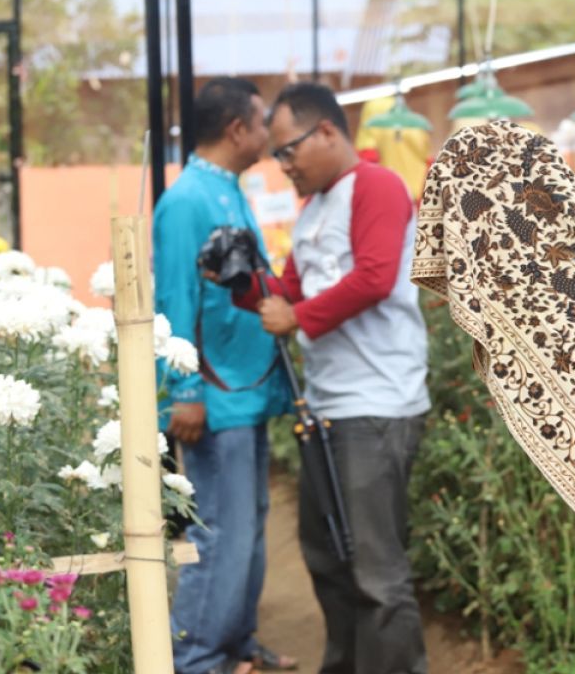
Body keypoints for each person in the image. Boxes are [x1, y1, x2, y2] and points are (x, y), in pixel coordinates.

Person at [233, 81, 431, 674]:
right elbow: (289, 292)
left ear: (326, 132)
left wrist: (295, 316)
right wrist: (240, 282)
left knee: (375, 570)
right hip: (328, 408)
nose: (284, 165)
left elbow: (372, 277)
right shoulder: (316, 208)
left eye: (288, 150)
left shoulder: (377, 187)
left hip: (377, 407)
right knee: (328, 558)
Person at [153, 77, 296, 674]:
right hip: (211, 399)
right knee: (221, 534)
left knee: (250, 526)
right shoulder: (186, 200)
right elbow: (173, 300)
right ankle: (195, 658)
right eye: (263, 123)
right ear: (238, 129)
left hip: (245, 391)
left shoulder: (229, 190)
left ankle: (236, 641)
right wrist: (182, 392)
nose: (269, 134)